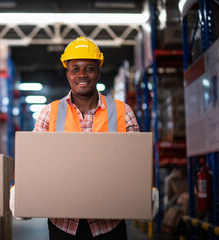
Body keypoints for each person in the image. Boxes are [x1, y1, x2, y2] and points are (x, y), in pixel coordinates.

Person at [10, 36, 158, 240]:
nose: (82, 74)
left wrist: (148, 189)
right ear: (68, 74)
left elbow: (138, 159)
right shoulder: (49, 113)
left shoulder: (122, 111)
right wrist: (19, 189)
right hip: (63, 224)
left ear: (98, 71)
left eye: (89, 68)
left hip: (110, 223)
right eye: (75, 68)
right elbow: (33, 159)